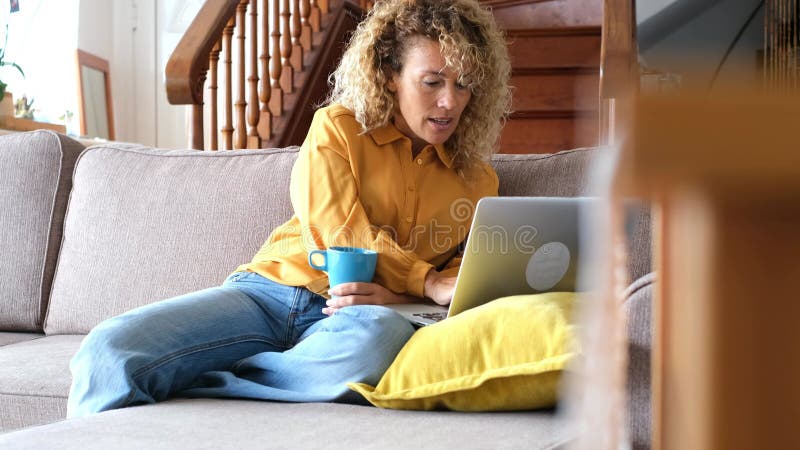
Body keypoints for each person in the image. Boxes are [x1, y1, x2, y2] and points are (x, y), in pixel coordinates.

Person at [67, 0, 511, 417]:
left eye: (464, 84)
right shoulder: (338, 128)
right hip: (270, 294)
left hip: (355, 321)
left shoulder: (477, 181)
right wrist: (424, 279)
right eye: (432, 81)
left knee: (377, 340)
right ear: (391, 73)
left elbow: (461, 287)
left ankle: (204, 387)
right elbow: (338, 231)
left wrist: (402, 294)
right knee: (109, 351)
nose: (450, 101)